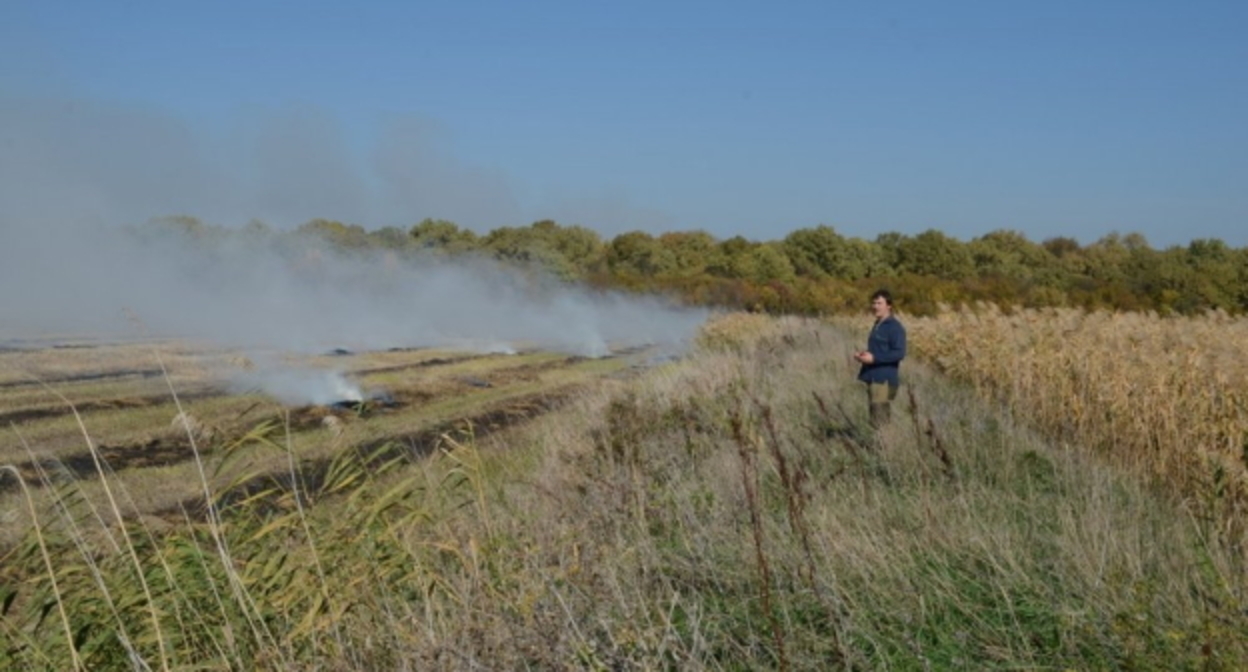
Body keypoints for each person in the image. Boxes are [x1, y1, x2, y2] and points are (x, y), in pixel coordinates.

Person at [854, 289, 906, 427]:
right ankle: (879, 446)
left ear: (889, 306)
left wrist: (874, 358)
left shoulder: (895, 327)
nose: (875, 306)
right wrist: (864, 355)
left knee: (880, 420)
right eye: (873, 303)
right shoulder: (878, 325)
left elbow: (899, 353)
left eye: (879, 303)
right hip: (873, 377)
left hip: (884, 380)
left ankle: (885, 447)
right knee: (875, 418)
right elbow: (879, 350)